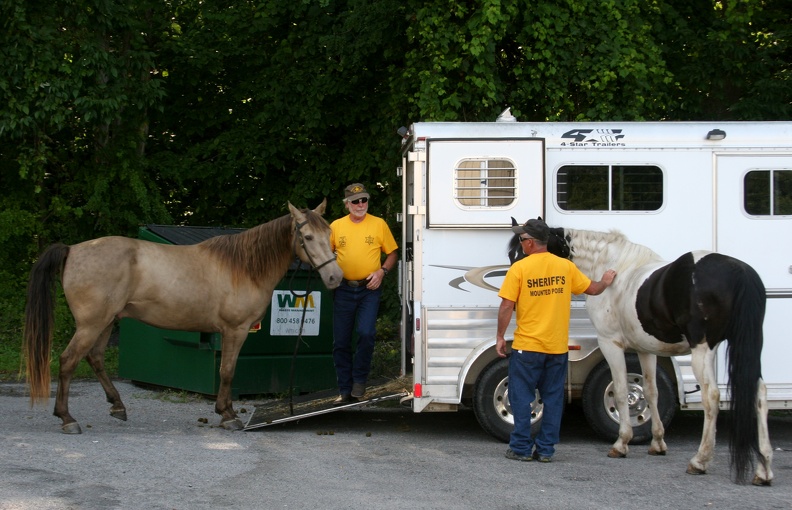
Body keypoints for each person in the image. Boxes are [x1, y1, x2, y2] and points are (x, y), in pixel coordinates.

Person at [496, 218, 616, 462]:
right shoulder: (565, 267)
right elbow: (592, 289)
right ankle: (546, 450)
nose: (521, 243)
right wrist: (605, 281)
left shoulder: (519, 269)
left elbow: (507, 304)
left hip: (527, 348)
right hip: (556, 348)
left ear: (529, 243)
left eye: (522, 239)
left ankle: (520, 448)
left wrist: (499, 336)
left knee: (521, 398)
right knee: (552, 399)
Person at [330, 183, 398, 405]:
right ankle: (344, 389)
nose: (361, 205)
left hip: (369, 288)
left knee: (366, 333)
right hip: (343, 288)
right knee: (341, 341)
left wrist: (382, 271)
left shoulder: (378, 224)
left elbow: (392, 253)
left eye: (364, 200)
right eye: (356, 201)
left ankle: (360, 381)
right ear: (347, 204)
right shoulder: (336, 227)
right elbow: (323, 254)